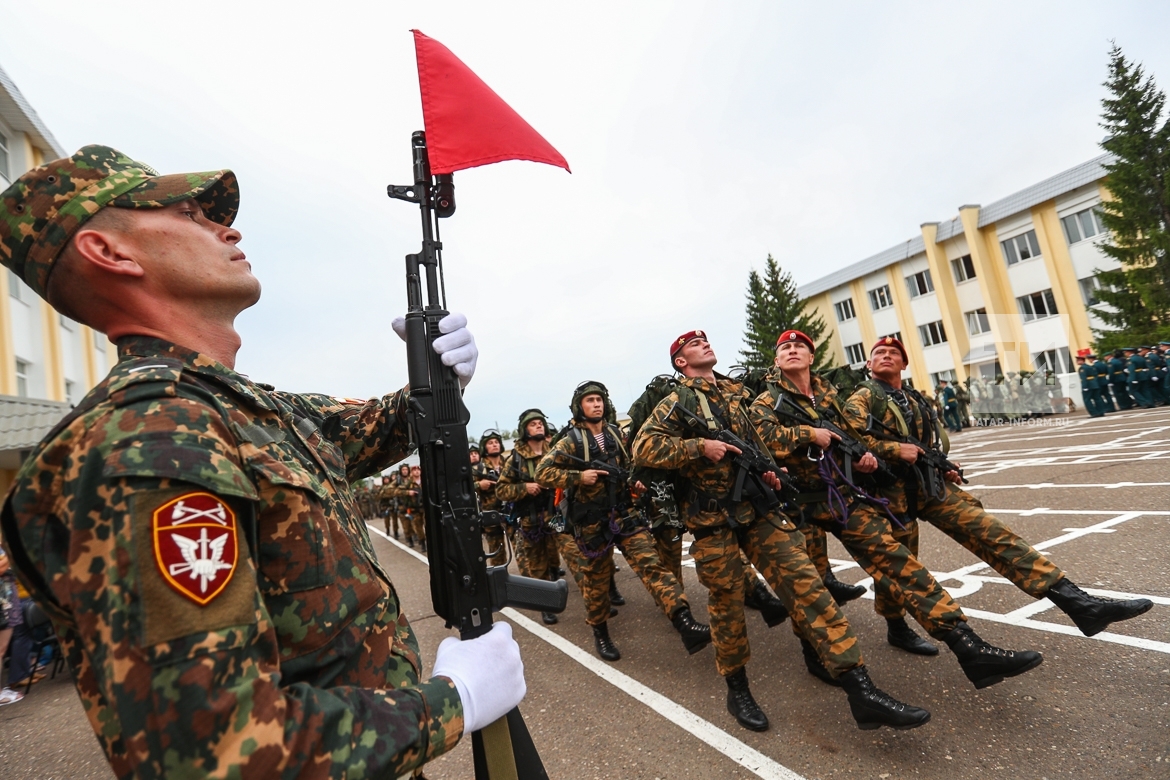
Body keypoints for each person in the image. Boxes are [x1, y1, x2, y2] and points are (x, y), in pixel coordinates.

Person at [0, 145, 525, 779]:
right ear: (109, 252)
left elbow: (366, 429)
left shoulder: (236, 407)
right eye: (191, 214)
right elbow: (214, 751)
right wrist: (451, 702)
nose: (229, 228)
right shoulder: (145, 438)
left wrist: (438, 384)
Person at [632, 330, 929, 733]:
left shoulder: (735, 394)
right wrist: (698, 447)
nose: (704, 344)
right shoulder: (677, 401)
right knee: (728, 604)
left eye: (706, 340)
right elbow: (644, 447)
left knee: (807, 586)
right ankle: (738, 689)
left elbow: (756, 443)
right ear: (681, 362)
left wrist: (772, 470)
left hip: (759, 510)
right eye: (692, 346)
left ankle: (860, 688)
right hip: (712, 522)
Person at [749, 331, 1042, 688]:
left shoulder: (831, 397)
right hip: (799, 505)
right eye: (784, 348)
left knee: (899, 563)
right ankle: (815, 654)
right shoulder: (765, 402)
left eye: (800, 347)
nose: (792, 351)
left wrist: (865, 459)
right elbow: (762, 442)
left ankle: (968, 646)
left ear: (811, 358)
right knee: (811, 587)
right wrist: (809, 436)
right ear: (777, 361)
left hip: (843, 497)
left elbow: (851, 438)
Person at [842, 337, 1153, 645]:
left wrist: (943, 465)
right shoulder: (863, 398)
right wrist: (895, 450)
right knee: (899, 566)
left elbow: (926, 444)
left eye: (893, 353)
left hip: (930, 485)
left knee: (992, 533)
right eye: (879, 353)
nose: (886, 356)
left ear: (904, 364)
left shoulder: (914, 398)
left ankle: (1078, 603)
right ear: (868, 364)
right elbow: (849, 443)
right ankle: (896, 626)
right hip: (888, 494)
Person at [534, 381, 710, 661]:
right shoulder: (571, 441)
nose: (596, 404)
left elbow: (628, 469)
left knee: (652, 565)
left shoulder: (616, 434)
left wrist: (635, 485)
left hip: (625, 513)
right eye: (590, 400)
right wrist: (579, 477)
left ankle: (684, 621)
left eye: (600, 399)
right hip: (591, 523)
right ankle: (600, 631)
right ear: (579, 406)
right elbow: (542, 473)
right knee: (596, 581)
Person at [496, 409, 569, 625]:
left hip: (557, 518)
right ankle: (545, 605)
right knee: (537, 567)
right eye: (533, 424)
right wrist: (524, 488)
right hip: (531, 521)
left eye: (540, 423)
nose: (538, 426)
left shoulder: (556, 451)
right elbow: (501, 490)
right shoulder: (516, 459)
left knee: (570, 556)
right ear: (524, 430)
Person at [473, 429, 509, 566]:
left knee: (521, 549)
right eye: (490, 443)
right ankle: (499, 579)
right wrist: (479, 484)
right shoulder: (479, 468)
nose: (494, 445)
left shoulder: (509, 464)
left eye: (496, 442)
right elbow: (465, 487)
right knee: (497, 552)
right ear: (484, 447)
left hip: (509, 513)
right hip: (491, 516)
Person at [1076, 353, 1105, 418]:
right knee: (1097, 399)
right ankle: (1101, 412)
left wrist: (1085, 386)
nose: (1077, 362)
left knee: (1087, 400)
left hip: (1088, 386)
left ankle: (1094, 413)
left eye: (1078, 361)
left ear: (1082, 361)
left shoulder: (1082, 368)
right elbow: (1095, 375)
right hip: (1094, 384)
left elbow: (1084, 378)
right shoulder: (1090, 367)